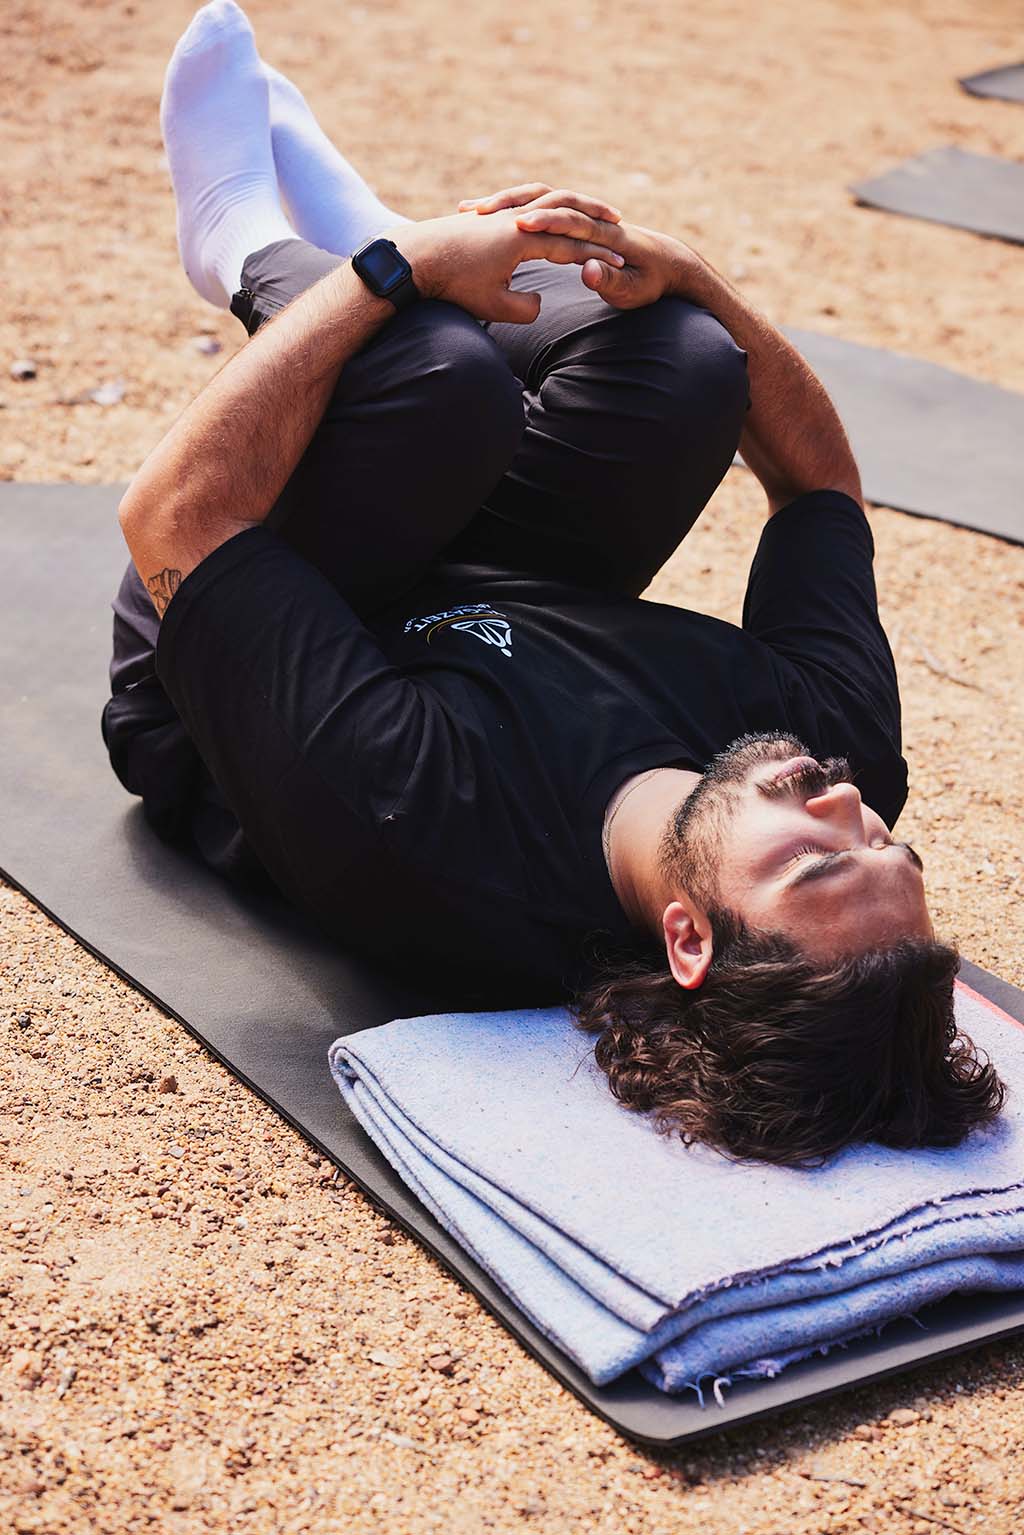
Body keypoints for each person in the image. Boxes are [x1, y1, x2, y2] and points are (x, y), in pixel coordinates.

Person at [104, 2, 1003, 1164]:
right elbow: (819, 483)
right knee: (686, 359)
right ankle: (370, 232)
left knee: (439, 379)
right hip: (494, 597)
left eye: (816, 856)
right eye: (890, 845)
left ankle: (241, 237)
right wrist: (700, 279)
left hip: (219, 640)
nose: (839, 800)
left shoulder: (420, 825)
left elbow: (176, 515)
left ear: (689, 937)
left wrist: (405, 270)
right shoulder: (835, 755)